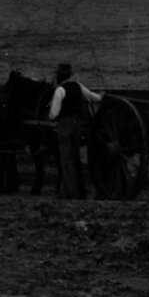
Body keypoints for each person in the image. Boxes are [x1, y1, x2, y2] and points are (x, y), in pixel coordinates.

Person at [46, 62, 102, 199]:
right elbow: (94, 97)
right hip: (78, 126)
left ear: (60, 76)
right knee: (75, 157)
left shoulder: (60, 90)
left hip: (65, 126)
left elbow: (54, 113)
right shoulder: (78, 86)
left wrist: (50, 118)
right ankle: (77, 190)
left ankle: (71, 193)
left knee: (66, 160)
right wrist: (102, 96)